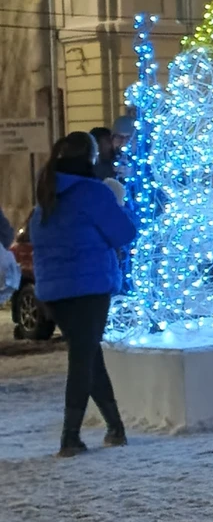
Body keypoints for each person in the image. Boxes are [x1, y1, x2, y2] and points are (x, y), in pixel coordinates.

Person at [29, 131, 136, 457]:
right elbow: (125, 233)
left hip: (53, 292)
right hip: (89, 287)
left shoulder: (46, 194)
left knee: (88, 355)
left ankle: (115, 427)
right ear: (89, 160)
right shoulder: (93, 193)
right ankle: (70, 437)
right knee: (82, 359)